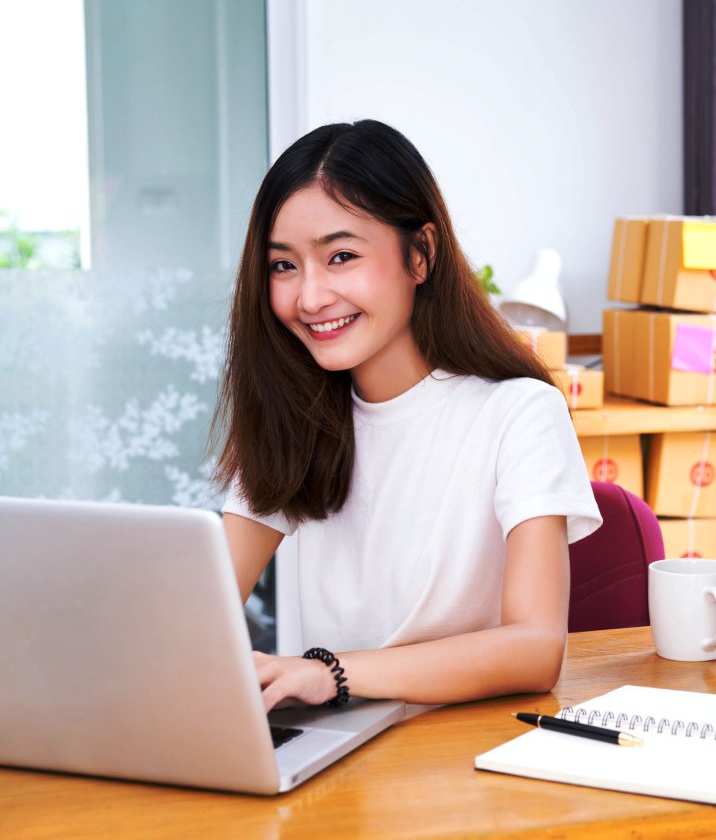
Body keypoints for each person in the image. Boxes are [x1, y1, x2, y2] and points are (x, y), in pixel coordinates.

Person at [211, 119, 601, 713]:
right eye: (283, 266)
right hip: (338, 754)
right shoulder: (294, 416)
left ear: (419, 255)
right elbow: (200, 613)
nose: (309, 297)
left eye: (340, 256)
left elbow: (536, 648)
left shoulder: (518, 411)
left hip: (464, 757)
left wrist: (332, 673)